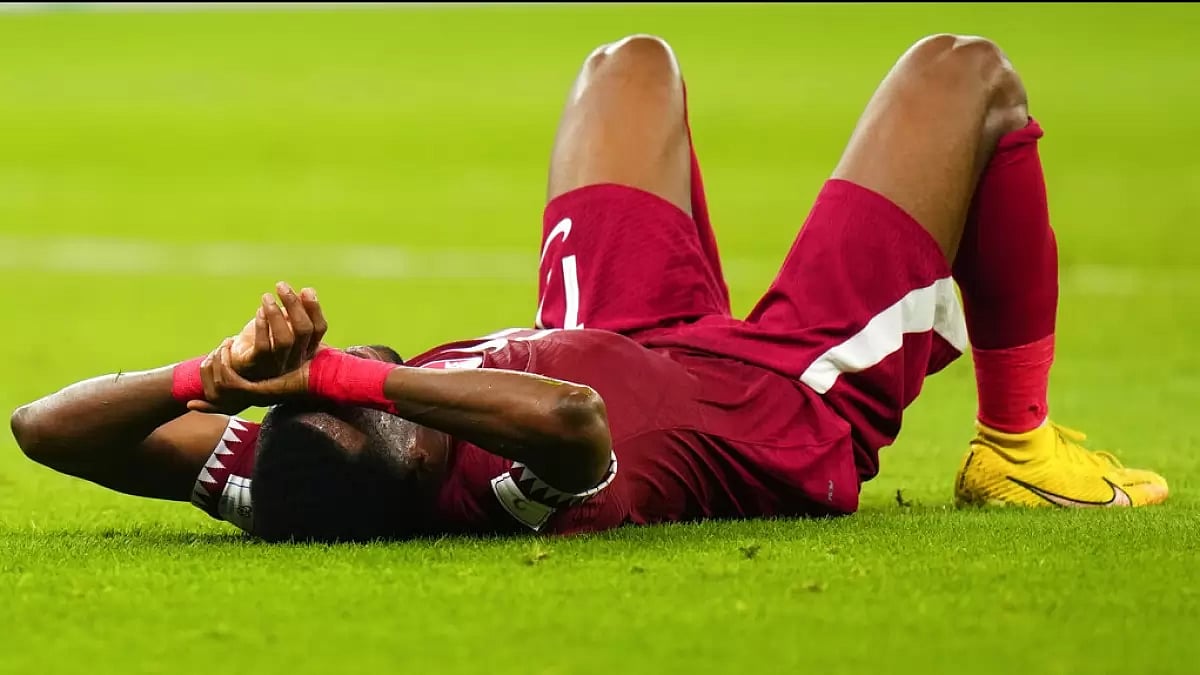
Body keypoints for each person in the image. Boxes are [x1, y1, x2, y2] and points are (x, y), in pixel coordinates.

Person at [10, 34, 1167, 542]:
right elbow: (576, 418)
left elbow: (41, 427)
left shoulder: (297, 485)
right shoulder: (511, 491)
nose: (368, 389)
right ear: (407, 459)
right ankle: (1018, 450)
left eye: (331, 402)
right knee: (965, 78)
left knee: (628, 65)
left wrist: (211, 376)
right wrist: (351, 373)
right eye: (371, 409)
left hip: (613, 325)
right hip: (768, 400)